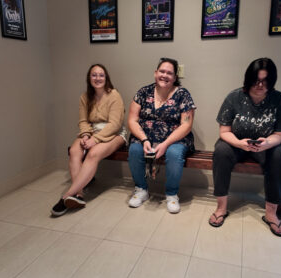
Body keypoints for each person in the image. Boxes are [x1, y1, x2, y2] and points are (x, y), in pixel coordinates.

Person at [209, 58, 281, 237]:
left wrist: (266, 143)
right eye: (256, 80)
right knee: (221, 151)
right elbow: (224, 131)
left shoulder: (280, 99)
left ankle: (271, 213)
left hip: (266, 145)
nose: (260, 85)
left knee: (279, 156)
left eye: (265, 81)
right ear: (248, 79)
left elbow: (279, 135)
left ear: (272, 81)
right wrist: (239, 143)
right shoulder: (234, 97)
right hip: (236, 143)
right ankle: (221, 208)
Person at [51, 64, 127, 217]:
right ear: (89, 78)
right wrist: (86, 135)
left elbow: (115, 124)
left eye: (101, 75)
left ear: (106, 78)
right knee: (74, 151)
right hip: (92, 132)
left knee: (93, 154)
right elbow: (83, 121)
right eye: (94, 75)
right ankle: (78, 195)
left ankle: (66, 196)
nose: (97, 78)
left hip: (114, 134)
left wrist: (96, 140)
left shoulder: (114, 95)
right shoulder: (85, 97)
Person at [127, 57, 196, 213]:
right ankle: (141, 190)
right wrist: (144, 139)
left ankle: (172, 194)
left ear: (175, 77)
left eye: (169, 73)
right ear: (155, 73)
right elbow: (132, 120)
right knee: (134, 150)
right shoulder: (143, 92)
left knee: (173, 153)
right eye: (162, 71)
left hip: (175, 139)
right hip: (145, 137)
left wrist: (165, 144)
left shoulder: (183, 95)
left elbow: (186, 125)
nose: (165, 75)